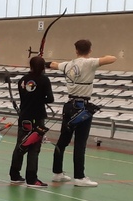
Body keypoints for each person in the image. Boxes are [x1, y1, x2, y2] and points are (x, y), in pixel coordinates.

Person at [48, 40, 117, 187]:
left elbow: (53, 64)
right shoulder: (89, 63)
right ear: (90, 50)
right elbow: (112, 58)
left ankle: (57, 173)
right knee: (80, 142)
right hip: (82, 108)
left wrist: (43, 62)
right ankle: (79, 177)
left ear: (76, 50)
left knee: (63, 140)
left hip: (69, 106)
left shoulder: (68, 64)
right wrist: (99, 57)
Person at [8, 56, 54, 188]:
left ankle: (14, 175)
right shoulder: (44, 80)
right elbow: (50, 98)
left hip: (24, 116)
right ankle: (31, 178)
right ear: (43, 67)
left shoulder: (23, 80)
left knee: (20, 145)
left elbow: (24, 97)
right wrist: (40, 98)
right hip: (37, 117)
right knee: (34, 148)